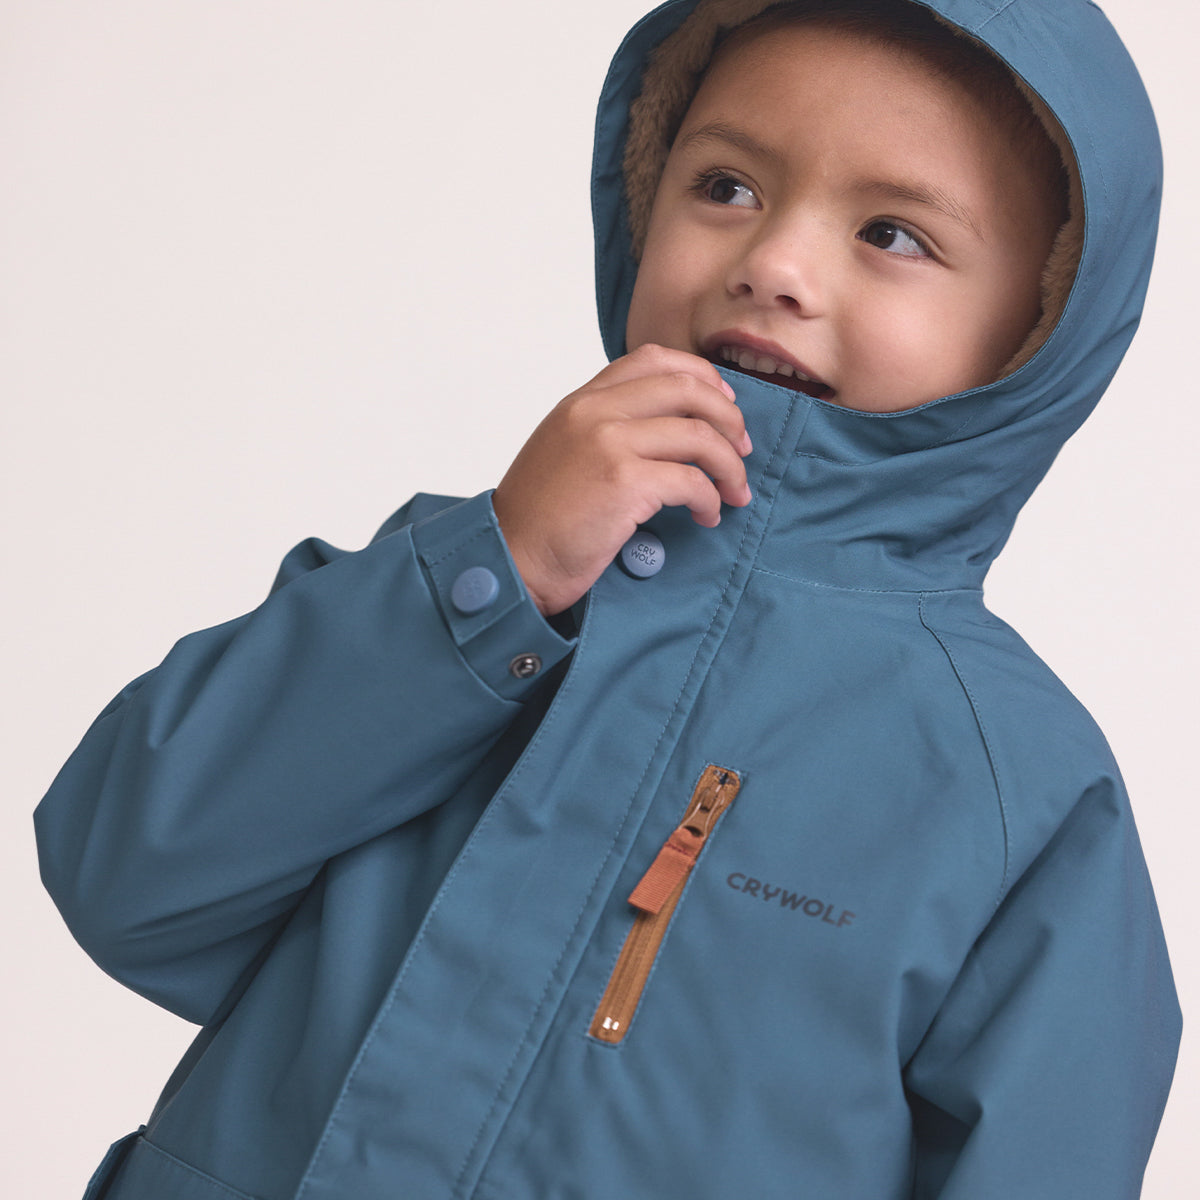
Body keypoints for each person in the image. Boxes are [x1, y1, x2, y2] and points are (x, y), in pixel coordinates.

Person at [35, 1, 1180, 1197]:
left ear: (1038, 329)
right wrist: (497, 580)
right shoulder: (457, 582)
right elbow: (124, 876)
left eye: (892, 233)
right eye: (727, 186)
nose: (775, 265)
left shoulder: (1019, 790)